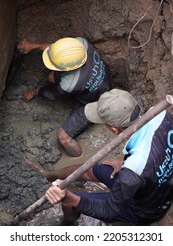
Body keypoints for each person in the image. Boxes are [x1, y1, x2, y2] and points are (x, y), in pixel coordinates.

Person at [44, 88, 173, 225]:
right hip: (153, 184)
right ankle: (49, 175)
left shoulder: (131, 173)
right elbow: (158, 149)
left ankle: (69, 224)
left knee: (69, 204)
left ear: (113, 129)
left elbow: (110, 210)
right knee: (89, 170)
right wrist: (125, 160)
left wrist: (68, 197)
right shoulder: (161, 115)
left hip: (145, 208)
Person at [17, 37, 112, 157]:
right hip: (105, 77)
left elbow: (53, 94)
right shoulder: (81, 43)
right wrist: (34, 45)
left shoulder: (69, 84)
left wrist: (35, 92)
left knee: (63, 137)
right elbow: (59, 50)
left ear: (68, 68)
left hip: (94, 102)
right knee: (51, 77)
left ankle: (79, 159)